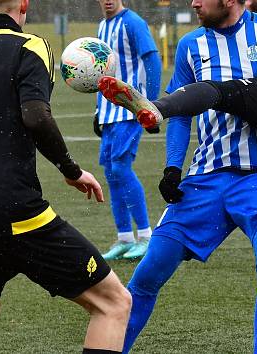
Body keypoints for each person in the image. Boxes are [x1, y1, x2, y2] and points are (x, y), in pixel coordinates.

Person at [97, 1, 257, 353]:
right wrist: (173, 167)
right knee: (149, 270)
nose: (194, 4)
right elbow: (183, 114)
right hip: (206, 175)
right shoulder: (190, 45)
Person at [0, 1, 131, 353]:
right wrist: (72, 171)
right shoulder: (31, 46)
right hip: (14, 208)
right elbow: (35, 115)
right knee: (113, 304)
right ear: (25, 4)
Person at [93, 0, 162, 261]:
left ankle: (145, 236)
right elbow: (100, 72)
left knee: (121, 168)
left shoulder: (133, 22)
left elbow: (152, 60)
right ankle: (124, 238)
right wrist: (98, 110)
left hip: (130, 108)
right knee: (111, 172)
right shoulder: (102, 26)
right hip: (109, 112)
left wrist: (150, 106)